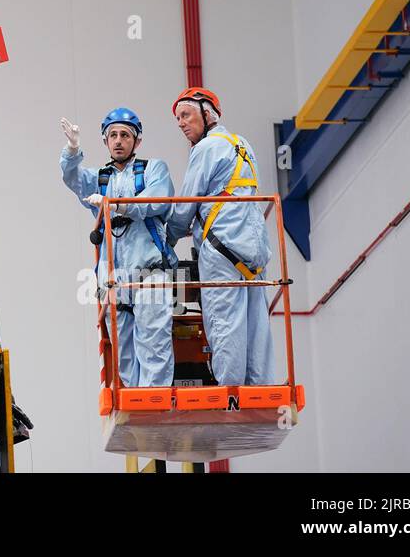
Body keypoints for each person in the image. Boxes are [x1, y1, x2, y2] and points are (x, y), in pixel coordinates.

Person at [60, 108, 176, 388]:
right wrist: (73, 149)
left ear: (137, 142)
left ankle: (155, 404)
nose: (119, 140)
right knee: (123, 350)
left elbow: (158, 199)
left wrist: (115, 205)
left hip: (149, 271)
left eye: (125, 135)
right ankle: (136, 406)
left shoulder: (153, 169)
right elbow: (72, 178)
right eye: (112, 135)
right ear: (105, 142)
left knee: (154, 342)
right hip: (113, 278)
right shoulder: (100, 178)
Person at [166, 87, 275, 387]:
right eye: (178, 121)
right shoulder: (243, 145)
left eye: (186, 115)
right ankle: (260, 390)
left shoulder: (206, 148)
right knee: (256, 324)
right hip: (254, 248)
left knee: (225, 321)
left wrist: (169, 238)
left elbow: (186, 204)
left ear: (207, 112)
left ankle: (229, 395)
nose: (182, 124)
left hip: (221, 248)